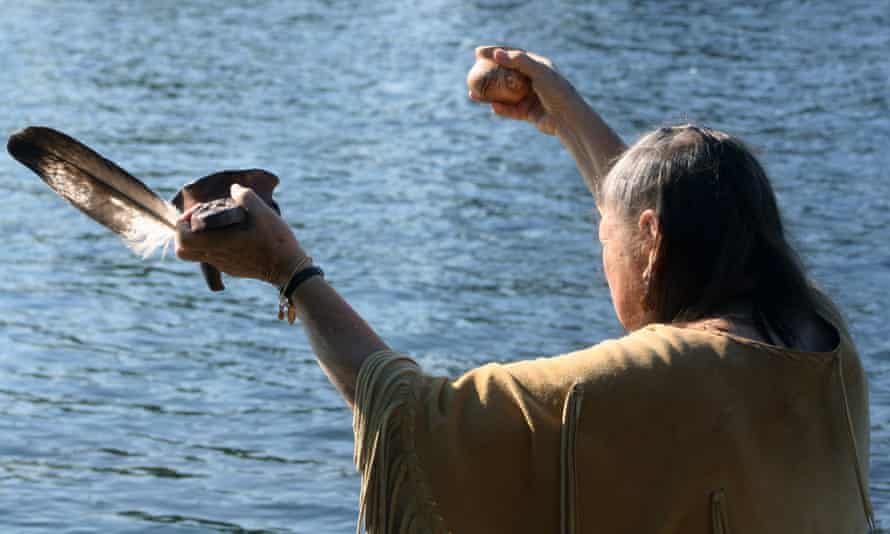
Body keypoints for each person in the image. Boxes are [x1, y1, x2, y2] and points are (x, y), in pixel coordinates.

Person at [174, 46, 874, 533]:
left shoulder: (647, 379)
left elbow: (414, 415)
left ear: (652, 241)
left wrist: (286, 267)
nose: (604, 250)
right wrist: (560, 106)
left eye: (606, 238)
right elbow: (652, 207)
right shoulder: (823, 338)